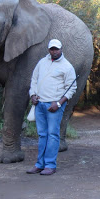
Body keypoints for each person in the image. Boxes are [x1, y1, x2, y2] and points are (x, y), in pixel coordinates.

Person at [26, 39, 77, 176]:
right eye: (52, 49)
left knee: (53, 135)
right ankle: (39, 164)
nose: (54, 51)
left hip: (54, 105)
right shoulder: (42, 62)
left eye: (56, 49)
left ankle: (50, 165)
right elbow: (34, 79)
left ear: (61, 49)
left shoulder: (67, 66)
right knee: (42, 135)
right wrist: (33, 95)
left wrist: (59, 103)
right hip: (40, 104)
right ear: (48, 49)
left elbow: (71, 88)